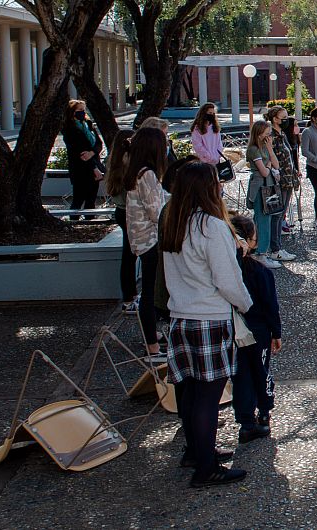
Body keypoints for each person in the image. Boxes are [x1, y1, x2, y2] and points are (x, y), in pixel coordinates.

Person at [159, 160, 253, 488]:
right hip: (209, 318)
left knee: (191, 392)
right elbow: (227, 279)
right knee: (208, 397)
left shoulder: (174, 220)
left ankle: (197, 452)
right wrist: (246, 305)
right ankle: (206, 467)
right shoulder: (210, 227)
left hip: (181, 317)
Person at [119, 129, 171, 357]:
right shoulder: (147, 174)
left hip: (141, 239)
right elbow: (156, 212)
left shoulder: (136, 171)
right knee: (151, 293)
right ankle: (152, 344)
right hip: (150, 240)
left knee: (149, 292)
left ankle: (152, 336)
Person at [230, 214, 282, 444]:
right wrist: (276, 332)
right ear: (250, 241)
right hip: (259, 330)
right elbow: (271, 306)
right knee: (261, 371)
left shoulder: (230, 271)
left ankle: (245, 420)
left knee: (241, 375)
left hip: (235, 329)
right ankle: (264, 411)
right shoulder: (261, 272)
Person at [105, 129, 138, 313]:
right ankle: (129, 297)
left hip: (120, 211)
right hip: (130, 212)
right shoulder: (128, 163)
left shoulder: (113, 160)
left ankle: (129, 295)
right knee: (131, 256)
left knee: (129, 256)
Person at [245, 120, 284, 269]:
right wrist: (268, 166)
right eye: (266, 134)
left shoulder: (264, 147)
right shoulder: (254, 149)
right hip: (260, 187)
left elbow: (276, 164)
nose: (269, 136)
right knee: (263, 221)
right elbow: (264, 171)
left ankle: (261, 252)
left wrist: (269, 148)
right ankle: (260, 252)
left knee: (266, 218)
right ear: (259, 133)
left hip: (268, 186)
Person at [61, 99, 105, 217]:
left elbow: (99, 143)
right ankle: (73, 220)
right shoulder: (69, 129)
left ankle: (89, 220)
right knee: (78, 198)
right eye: (79, 110)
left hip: (94, 163)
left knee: (91, 199)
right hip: (80, 168)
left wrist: (92, 152)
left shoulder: (88, 125)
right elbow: (79, 150)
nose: (82, 112)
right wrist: (94, 167)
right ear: (72, 112)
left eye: (83, 110)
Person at [263, 106, 301, 243]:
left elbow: (289, 156)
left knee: (281, 213)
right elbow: (269, 158)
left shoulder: (283, 134)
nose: (286, 120)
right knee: (277, 214)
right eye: (283, 118)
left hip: (289, 179)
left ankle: (277, 245)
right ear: (274, 119)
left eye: (287, 117)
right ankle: (275, 246)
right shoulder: (270, 136)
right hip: (279, 180)